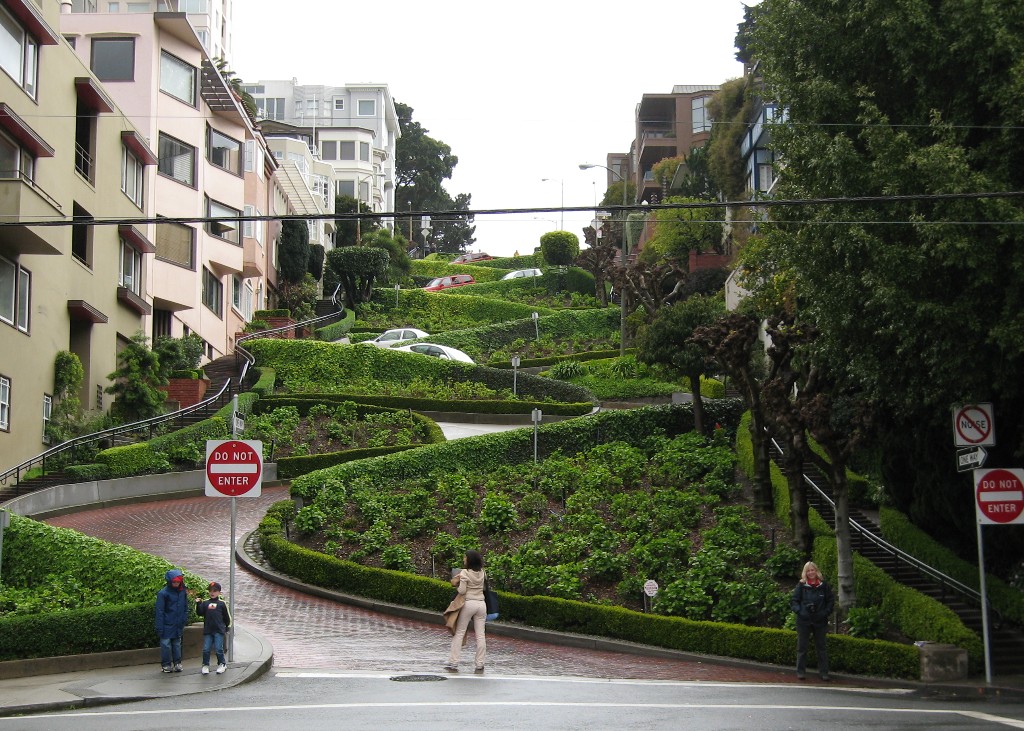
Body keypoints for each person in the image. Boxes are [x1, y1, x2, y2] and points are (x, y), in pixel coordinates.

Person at [791, 561, 835, 681]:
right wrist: (800, 612)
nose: (811, 573)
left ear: (816, 571)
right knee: (802, 648)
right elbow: (794, 601)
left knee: (821, 648)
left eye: (812, 570)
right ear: (805, 572)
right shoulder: (801, 585)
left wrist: (825, 613)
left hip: (820, 621)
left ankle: (824, 672)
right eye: (808, 571)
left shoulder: (824, 585)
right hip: (804, 621)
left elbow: (830, 601)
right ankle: (800, 671)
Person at [444, 550, 487, 673]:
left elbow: (462, 591)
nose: (464, 559)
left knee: (459, 633)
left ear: (469, 560)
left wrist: (458, 583)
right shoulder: (483, 572)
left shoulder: (465, 573)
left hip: (468, 604)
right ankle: (480, 663)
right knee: (481, 635)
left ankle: (454, 662)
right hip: (481, 605)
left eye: (465, 557)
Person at [155, 568, 191, 673]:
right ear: (170, 581)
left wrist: (184, 619)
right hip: (166, 623)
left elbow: (185, 607)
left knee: (176, 644)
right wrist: (159, 627)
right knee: (166, 645)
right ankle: (166, 664)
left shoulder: (182, 592)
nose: (176, 584)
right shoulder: (163, 593)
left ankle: (177, 663)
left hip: (177, 623)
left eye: (178, 582)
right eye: (174, 582)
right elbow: (160, 611)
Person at [196, 581, 231, 675]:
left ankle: (222, 663)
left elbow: (226, 617)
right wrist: (198, 604)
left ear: (219, 592)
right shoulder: (205, 603)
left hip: (219, 630)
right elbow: (200, 613)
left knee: (219, 649)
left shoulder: (222, 604)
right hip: (208, 630)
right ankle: (205, 665)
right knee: (206, 649)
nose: (212, 593)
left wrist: (227, 626)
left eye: (215, 591)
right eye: (210, 591)